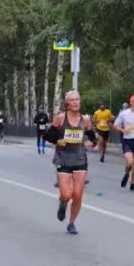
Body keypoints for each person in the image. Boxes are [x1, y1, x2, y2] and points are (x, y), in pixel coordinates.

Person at [44, 91, 97, 234]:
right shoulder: (61, 118)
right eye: (72, 100)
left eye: (77, 99)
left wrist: (91, 143)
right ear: (67, 103)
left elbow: (93, 138)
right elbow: (48, 136)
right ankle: (63, 203)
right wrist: (57, 141)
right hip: (63, 159)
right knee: (67, 195)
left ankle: (72, 223)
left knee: (78, 195)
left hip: (80, 159)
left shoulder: (85, 120)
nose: (75, 102)